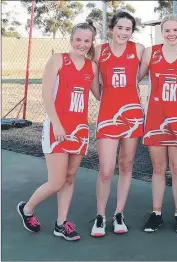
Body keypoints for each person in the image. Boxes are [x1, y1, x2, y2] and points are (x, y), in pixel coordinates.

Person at [17, 21, 100, 241]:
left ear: (92, 43)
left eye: (87, 40)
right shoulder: (58, 60)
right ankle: (27, 209)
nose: (82, 44)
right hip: (57, 128)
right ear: (71, 39)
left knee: (70, 178)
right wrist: (57, 124)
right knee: (56, 181)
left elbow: (100, 95)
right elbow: (46, 95)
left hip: (80, 129)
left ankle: (61, 224)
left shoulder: (92, 67)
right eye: (78, 39)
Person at [91, 11, 145, 237]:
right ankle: (100, 216)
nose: (123, 33)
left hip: (131, 116)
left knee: (126, 165)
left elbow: (140, 76)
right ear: (111, 28)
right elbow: (94, 83)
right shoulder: (99, 50)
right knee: (105, 170)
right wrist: (105, 96)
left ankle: (119, 214)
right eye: (120, 28)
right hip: (108, 115)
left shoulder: (139, 50)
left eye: (128, 29)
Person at [140, 14, 177, 234]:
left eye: (175, 30)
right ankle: (157, 213)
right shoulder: (151, 52)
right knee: (159, 168)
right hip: (155, 117)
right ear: (161, 32)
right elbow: (135, 77)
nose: (172, 34)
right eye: (167, 31)